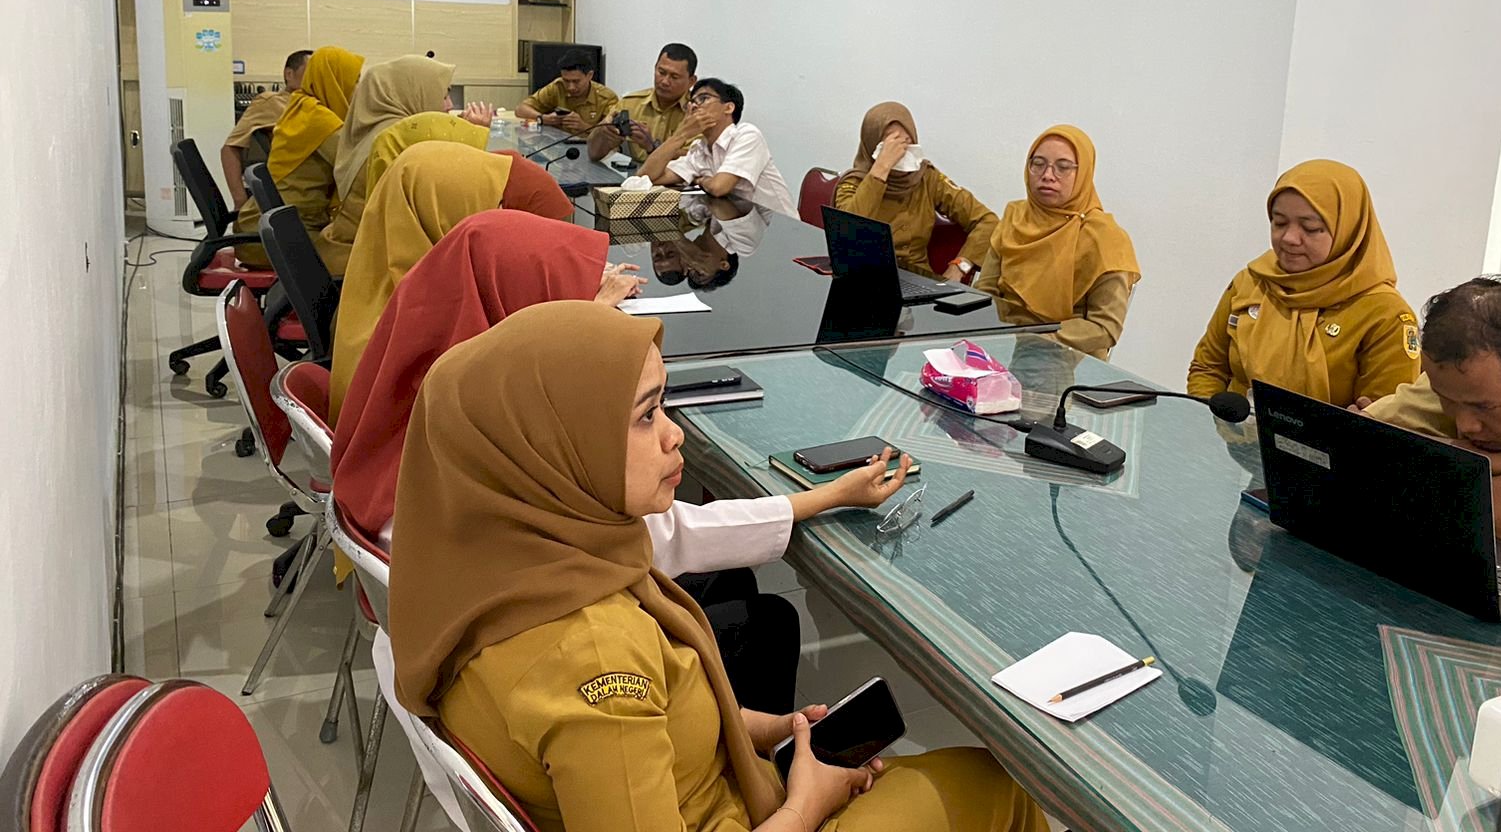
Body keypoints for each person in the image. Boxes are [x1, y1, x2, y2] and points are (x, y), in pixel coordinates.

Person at [389, 302, 1048, 832]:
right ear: (553, 448)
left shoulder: (499, 570)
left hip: (721, 792)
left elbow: (665, 729)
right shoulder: (594, 661)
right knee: (997, 784)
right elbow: (624, 720)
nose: (674, 434)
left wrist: (770, 730)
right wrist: (805, 804)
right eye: (646, 416)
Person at [334, 210, 906, 713]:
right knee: (768, 619)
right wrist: (827, 496)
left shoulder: (440, 406)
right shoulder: (546, 550)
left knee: (730, 576)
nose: (672, 434)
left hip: (451, 661)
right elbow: (667, 534)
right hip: (594, 679)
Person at [328, 140, 571, 419]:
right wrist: (581, 312)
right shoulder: (420, 321)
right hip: (424, 452)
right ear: (444, 210)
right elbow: (492, 387)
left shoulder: (387, 280)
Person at [1188, 159, 1418, 408]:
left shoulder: (1385, 315)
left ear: (1348, 232)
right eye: (1279, 223)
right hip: (1233, 442)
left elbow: (1384, 421)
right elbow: (1208, 366)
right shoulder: (1252, 282)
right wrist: (1212, 424)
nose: (1289, 238)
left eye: (1310, 228)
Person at [1355, 276, 1501, 544]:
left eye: (1485, 407)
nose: (1466, 425)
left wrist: (1408, 459)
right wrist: (1463, 452)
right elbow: (1352, 442)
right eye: (1445, 399)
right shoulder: (1465, 375)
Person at [318, 55, 491, 276]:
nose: (449, 105)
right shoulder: (398, 139)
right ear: (414, 92)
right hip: (368, 269)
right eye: (444, 94)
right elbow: (457, 199)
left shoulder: (376, 129)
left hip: (345, 250)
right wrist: (473, 136)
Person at [977, 126, 1140, 359]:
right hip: (1000, 347)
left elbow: (1105, 328)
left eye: (1063, 168)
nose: (1047, 175)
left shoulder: (1105, 237)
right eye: (1038, 164)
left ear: (1084, 173)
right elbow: (986, 293)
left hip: (1067, 358)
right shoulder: (1015, 217)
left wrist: (1033, 339)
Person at [833, 103, 996, 282]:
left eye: (906, 142)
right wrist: (881, 169)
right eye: (891, 143)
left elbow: (987, 220)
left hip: (917, 279)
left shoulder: (926, 177)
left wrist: (959, 266)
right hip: (863, 278)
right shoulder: (853, 182)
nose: (901, 151)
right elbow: (848, 234)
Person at [233, 46, 363, 267]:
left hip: (266, 228)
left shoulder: (302, 106)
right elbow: (356, 168)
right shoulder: (317, 118)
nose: (359, 88)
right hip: (279, 238)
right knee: (366, 256)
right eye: (356, 79)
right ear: (334, 80)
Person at [638, 78, 799, 218]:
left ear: (728, 108)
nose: (694, 107)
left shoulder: (746, 136)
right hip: (737, 224)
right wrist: (680, 135)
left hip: (781, 230)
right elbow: (645, 179)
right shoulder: (699, 149)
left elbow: (719, 187)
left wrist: (700, 180)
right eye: (692, 102)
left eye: (703, 98)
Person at [219, 50, 310, 208]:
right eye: (310, 71)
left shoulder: (318, 106)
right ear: (289, 74)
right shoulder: (271, 102)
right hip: (291, 192)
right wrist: (240, 202)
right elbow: (230, 149)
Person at [587, 43, 698, 164]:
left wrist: (652, 147)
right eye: (661, 72)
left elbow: (696, 159)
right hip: (635, 178)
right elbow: (594, 154)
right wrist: (602, 133)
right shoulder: (630, 104)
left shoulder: (699, 113)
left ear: (691, 81)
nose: (665, 81)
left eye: (674, 77)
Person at [515, 49, 618, 131]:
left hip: (592, 149)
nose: (570, 87)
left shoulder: (607, 98)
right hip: (559, 146)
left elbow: (613, 135)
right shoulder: (557, 87)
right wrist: (543, 118)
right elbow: (520, 109)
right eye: (566, 81)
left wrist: (584, 127)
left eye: (576, 81)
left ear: (589, 75)